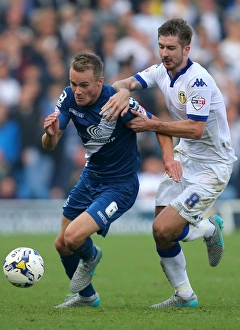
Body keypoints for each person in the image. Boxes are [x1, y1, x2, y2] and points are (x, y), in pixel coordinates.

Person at [101, 18, 237, 308]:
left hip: (212, 166)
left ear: (186, 49)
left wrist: (153, 124)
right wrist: (123, 89)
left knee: (164, 229)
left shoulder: (197, 81)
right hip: (186, 157)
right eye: (161, 46)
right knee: (161, 233)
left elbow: (195, 128)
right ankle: (185, 295)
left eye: (171, 48)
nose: (164, 53)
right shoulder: (160, 70)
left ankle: (210, 230)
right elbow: (123, 82)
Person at [42, 52, 181, 308]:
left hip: (120, 186)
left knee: (74, 238)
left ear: (100, 81)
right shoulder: (68, 97)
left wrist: (168, 159)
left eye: (84, 85)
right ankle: (87, 297)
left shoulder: (118, 102)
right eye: (73, 83)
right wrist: (49, 135)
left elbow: (159, 126)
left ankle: (92, 256)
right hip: (90, 178)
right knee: (62, 244)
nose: (78, 91)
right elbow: (50, 143)